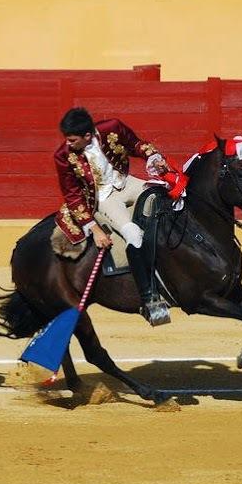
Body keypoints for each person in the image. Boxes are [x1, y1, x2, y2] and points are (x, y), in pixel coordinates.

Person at [53, 106, 179, 326]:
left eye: (72, 140)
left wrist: (154, 157)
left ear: (88, 135)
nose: (68, 144)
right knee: (133, 234)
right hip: (103, 198)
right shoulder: (63, 156)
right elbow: (73, 196)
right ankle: (150, 299)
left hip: (126, 182)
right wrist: (95, 229)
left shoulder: (113, 128)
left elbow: (137, 145)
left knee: (169, 202)